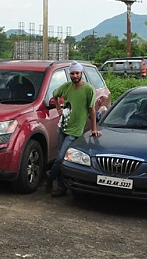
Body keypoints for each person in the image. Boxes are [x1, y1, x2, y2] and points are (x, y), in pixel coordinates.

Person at [46, 61, 101, 197]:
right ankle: (61, 188)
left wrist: (94, 128)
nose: (75, 75)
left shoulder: (88, 89)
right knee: (60, 159)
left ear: (81, 73)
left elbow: (91, 110)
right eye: (72, 73)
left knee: (59, 159)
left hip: (75, 131)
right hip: (62, 127)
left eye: (77, 73)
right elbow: (55, 94)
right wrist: (58, 108)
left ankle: (49, 177)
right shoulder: (66, 87)